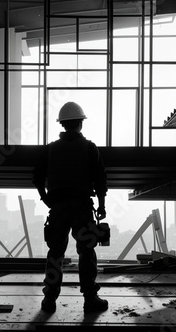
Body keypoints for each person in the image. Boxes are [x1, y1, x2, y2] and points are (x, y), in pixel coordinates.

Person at [33, 101, 108, 313]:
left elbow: (37, 177)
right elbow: (100, 179)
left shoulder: (50, 149)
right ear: (80, 124)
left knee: (55, 252)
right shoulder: (89, 148)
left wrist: (45, 199)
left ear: (63, 125)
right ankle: (90, 299)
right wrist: (101, 205)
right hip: (82, 208)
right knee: (86, 252)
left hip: (57, 208)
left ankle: (49, 299)